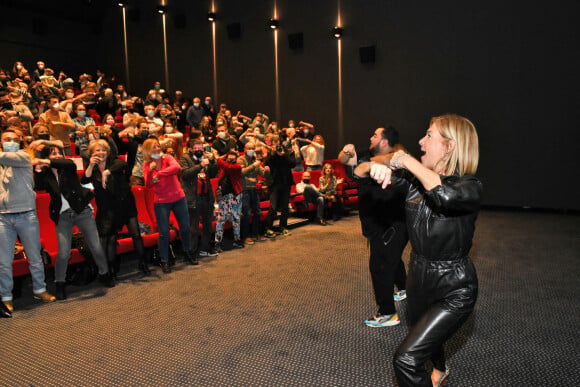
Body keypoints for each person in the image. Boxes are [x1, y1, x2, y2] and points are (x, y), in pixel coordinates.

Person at [355, 114, 481, 386]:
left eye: (429, 135)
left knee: (407, 359)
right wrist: (379, 166)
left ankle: (438, 369)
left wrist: (403, 160)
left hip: (454, 288)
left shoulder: (470, 187)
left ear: (449, 147)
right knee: (428, 336)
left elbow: (443, 195)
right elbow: (359, 171)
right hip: (419, 280)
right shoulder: (413, 184)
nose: (421, 141)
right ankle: (441, 368)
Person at [340, 126, 409, 328]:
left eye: (375, 135)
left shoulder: (399, 158)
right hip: (375, 223)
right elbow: (347, 163)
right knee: (393, 260)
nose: (370, 137)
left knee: (379, 267)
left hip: (391, 224)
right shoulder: (365, 155)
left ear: (384, 141)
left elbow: (394, 163)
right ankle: (405, 289)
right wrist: (346, 151)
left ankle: (388, 313)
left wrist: (373, 165)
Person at [34, 144, 115, 300]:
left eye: (59, 153)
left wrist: (47, 161)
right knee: (63, 253)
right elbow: (39, 186)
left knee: (96, 247)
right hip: (63, 216)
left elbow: (68, 163)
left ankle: (104, 274)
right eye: (52, 154)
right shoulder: (47, 175)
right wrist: (38, 168)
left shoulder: (68, 167)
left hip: (82, 211)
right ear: (46, 156)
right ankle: (60, 283)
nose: (57, 156)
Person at [0, 129, 55, 317]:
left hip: (26, 214)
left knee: (34, 257)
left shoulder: (24, 156)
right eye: (7, 139)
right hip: (3, 217)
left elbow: (7, 158)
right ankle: (5, 296)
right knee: (4, 261)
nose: (11, 142)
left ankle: (40, 289)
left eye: (15, 139)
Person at [81, 140, 151, 276]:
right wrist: (90, 164)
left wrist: (107, 172)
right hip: (108, 208)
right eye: (97, 150)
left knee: (136, 235)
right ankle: (110, 269)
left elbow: (123, 164)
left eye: (103, 150)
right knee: (110, 239)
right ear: (91, 154)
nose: (101, 153)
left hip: (125, 204)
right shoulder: (92, 169)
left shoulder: (114, 162)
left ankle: (143, 263)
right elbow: (84, 181)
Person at [142, 137, 197, 273]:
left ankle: (186, 252)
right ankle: (164, 260)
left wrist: (159, 173)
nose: (157, 149)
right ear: (148, 151)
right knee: (164, 233)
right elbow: (148, 185)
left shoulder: (167, 158)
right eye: (154, 147)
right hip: (161, 202)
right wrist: (150, 172)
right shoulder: (147, 166)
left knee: (185, 228)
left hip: (178, 198)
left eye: (158, 146)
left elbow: (176, 167)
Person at [179, 139, 219, 258]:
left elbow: (213, 173)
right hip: (193, 197)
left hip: (206, 196)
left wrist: (212, 161)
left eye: (200, 147)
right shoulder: (185, 158)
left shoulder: (205, 158)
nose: (198, 150)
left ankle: (205, 249)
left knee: (207, 225)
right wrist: (200, 165)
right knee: (193, 228)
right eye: (195, 148)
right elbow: (185, 174)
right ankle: (191, 252)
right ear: (190, 149)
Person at [238, 142, 269, 244]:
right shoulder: (241, 159)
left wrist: (267, 170)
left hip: (254, 189)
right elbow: (242, 173)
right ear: (245, 149)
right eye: (249, 148)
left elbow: (263, 174)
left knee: (257, 212)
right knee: (246, 213)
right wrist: (253, 165)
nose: (251, 150)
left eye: (252, 148)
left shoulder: (255, 160)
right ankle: (245, 236)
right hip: (245, 190)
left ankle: (255, 233)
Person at [264, 138, 296, 238]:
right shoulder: (271, 154)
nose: (278, 146)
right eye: (275, 144)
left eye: (279, 144)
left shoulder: (288, 152)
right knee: (273, 207)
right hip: (274, 184)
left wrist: (283, 155)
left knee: (285, 207)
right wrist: (274, 154)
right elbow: (267, 162)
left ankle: (283, 227)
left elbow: (293, 163)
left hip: (286, 183)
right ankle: (268, 228)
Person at [214, 151, 244, 251]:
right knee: (221, 219)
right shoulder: (223, 167)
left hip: (235, 196)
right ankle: (217, 242)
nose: (230, 160)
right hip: (224, 197)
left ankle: (237, 240)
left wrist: (218, 158)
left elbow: (228, 168)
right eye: (228, 159)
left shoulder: (237, 167)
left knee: (236, 218)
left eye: (233, 159)